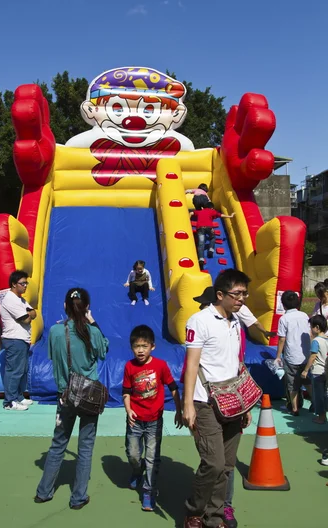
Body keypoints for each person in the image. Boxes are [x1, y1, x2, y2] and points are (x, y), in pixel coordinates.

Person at [182, 269, 253, 528]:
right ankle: (194, 511)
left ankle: (215, 516)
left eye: (245, 293)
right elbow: (191, 365)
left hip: (233, 403)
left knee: (227, 466)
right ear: (220, 294)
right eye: (237, 294)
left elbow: (236, 364)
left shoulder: (235, 322)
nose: (242, 298)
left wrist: (244, 404)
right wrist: (188, 404)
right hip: (205, 402)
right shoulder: (199, 320)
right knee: (213, 463)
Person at [35, 288, 108, 509]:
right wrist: (93, 323)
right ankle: (78, 497)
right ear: (87, 308)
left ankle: (44, 492)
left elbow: (52, 357)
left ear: (65, 306)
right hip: (89, 396)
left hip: (65, 396)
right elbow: (103, 351)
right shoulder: (91, 331)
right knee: (85, 447)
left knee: (58, 443)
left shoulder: (56, 331)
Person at [123, 325, 182, 512]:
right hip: (135, 420)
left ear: (152, 347)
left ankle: (149, 491)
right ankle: (136, 470)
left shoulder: (160, 366)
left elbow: (173, 388)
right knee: (133, 454)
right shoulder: (129, 366)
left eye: (144, 346)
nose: (140, 350)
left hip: (154, 421)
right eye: (136, 346)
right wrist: (128, 410)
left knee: (151, 457)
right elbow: (125, 392)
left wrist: (179, 410)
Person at [0, 270, 36, 411]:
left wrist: (30, 313)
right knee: (14, 371)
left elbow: (34, 312)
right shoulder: (10, 299)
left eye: (26, 283)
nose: (25, 286)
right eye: (22, 283)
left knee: (21, 370)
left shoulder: (21, 299)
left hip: (22, 339)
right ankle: (9, 401)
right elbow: (26, 319)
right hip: (14, 339)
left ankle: (18, 396)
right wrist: (29, 313)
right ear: (14, 284)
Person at [275, 291, 311, 416]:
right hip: (305, 354)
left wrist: (278, 356)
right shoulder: (304, 315)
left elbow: (282, 339)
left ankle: (295, 408)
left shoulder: (284, 319)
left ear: (283, 305)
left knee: (292, 383)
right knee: (307, 381)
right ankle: (316, 403)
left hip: (292, 356)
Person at [301, 315, 328, 424]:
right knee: (325, 394)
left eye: (311, 327)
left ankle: (321, 417)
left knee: (318, 396)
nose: (310, 329)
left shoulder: (316, 341)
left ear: (316, 327)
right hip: (326, 371)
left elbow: (313, 356)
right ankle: (323, 415)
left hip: (317, 371)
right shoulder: (326, 339)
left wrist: (305, 370)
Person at [191, 202, 235, 267]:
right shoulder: (212, 211)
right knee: (212, 237)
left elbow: (191, 213)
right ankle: (211, 249)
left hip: (200, 228)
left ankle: (201, 259)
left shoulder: (200, 211)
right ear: (211, 208)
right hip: (209, 228)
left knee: (201, 243)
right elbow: (221, 215)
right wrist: (230, 216)